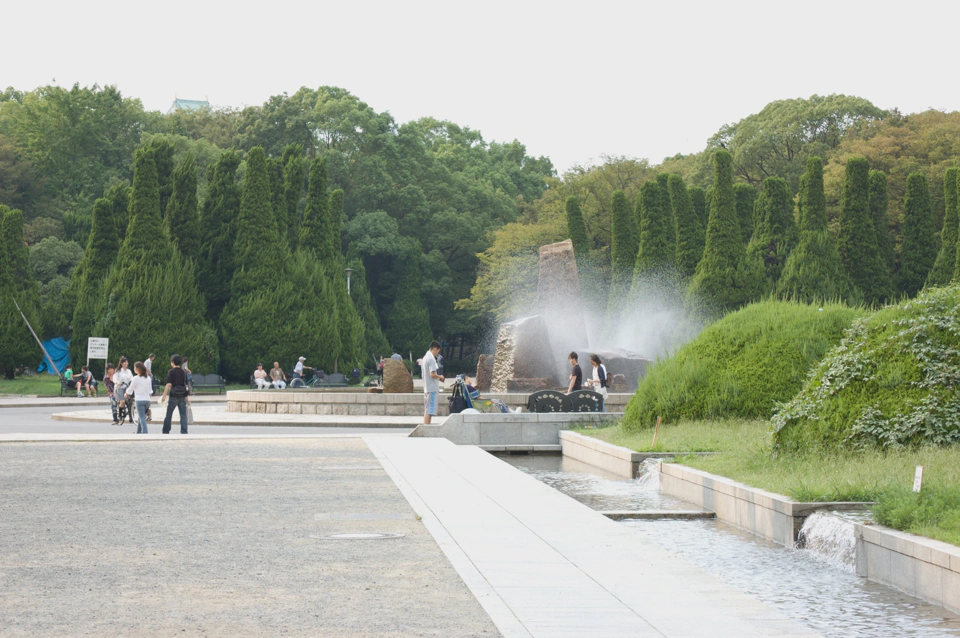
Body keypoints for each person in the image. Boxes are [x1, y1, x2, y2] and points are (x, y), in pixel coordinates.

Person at [159, 354, 190, 435]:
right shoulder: (184, 372)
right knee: (183, 415)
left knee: (169, 414)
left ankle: (166, 431)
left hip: (173, 396)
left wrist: (164, 395)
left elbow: (168, 384)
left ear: (172, 362)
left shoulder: (171, 372)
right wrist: (187, 396)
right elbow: (186, 385)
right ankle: (184, 431)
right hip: (182, 395)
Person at [124, 361, 153, 434]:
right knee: (141, 417)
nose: (134, 369)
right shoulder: (148, 378)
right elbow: (150, 391)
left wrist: (126, 393)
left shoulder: (135, 378)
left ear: (138, 369)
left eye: (135, 368)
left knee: (142, 417)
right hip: (147, 400)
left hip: (139, 400)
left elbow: (130, 388)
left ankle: (145, 432)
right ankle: (138, 432)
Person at [421, 340, 444, 425]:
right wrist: (440, 376)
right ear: (434, 349)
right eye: (437, 351)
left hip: (427, 387)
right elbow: (432, 374)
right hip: (432, 388)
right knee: (429, 410)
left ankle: (426, 426)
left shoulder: (425, 358)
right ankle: (427, 427)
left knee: (427, 409)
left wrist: (437, 377)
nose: (437, 353)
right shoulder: (431, 359)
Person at [113, 357, 135, 423]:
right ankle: (120, 415)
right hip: (119, 388)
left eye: (127, 362)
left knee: (131, 401)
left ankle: (131, 416)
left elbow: (132, 379)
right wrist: (117, 382)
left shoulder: (129, 371)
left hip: (127, 387)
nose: (126, 363)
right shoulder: (118, 371)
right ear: (121, 363)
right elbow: (114, 378)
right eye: (124, 362)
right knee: (122, 401)